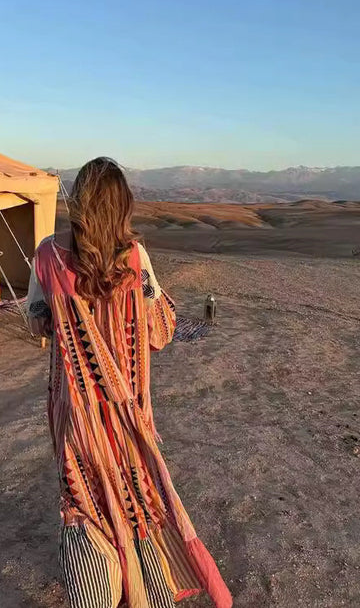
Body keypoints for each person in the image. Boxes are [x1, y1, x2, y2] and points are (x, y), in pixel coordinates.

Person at [26, 157, 232, 608]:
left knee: (85, 503)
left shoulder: (46, 254)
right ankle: (145, 593)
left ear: (79, 203)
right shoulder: (136, 259)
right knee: (135, 499)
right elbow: (159, 332)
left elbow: (38, 325)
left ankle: (96, 590)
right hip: (129, 414)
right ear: (123, 208)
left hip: (77, 414)